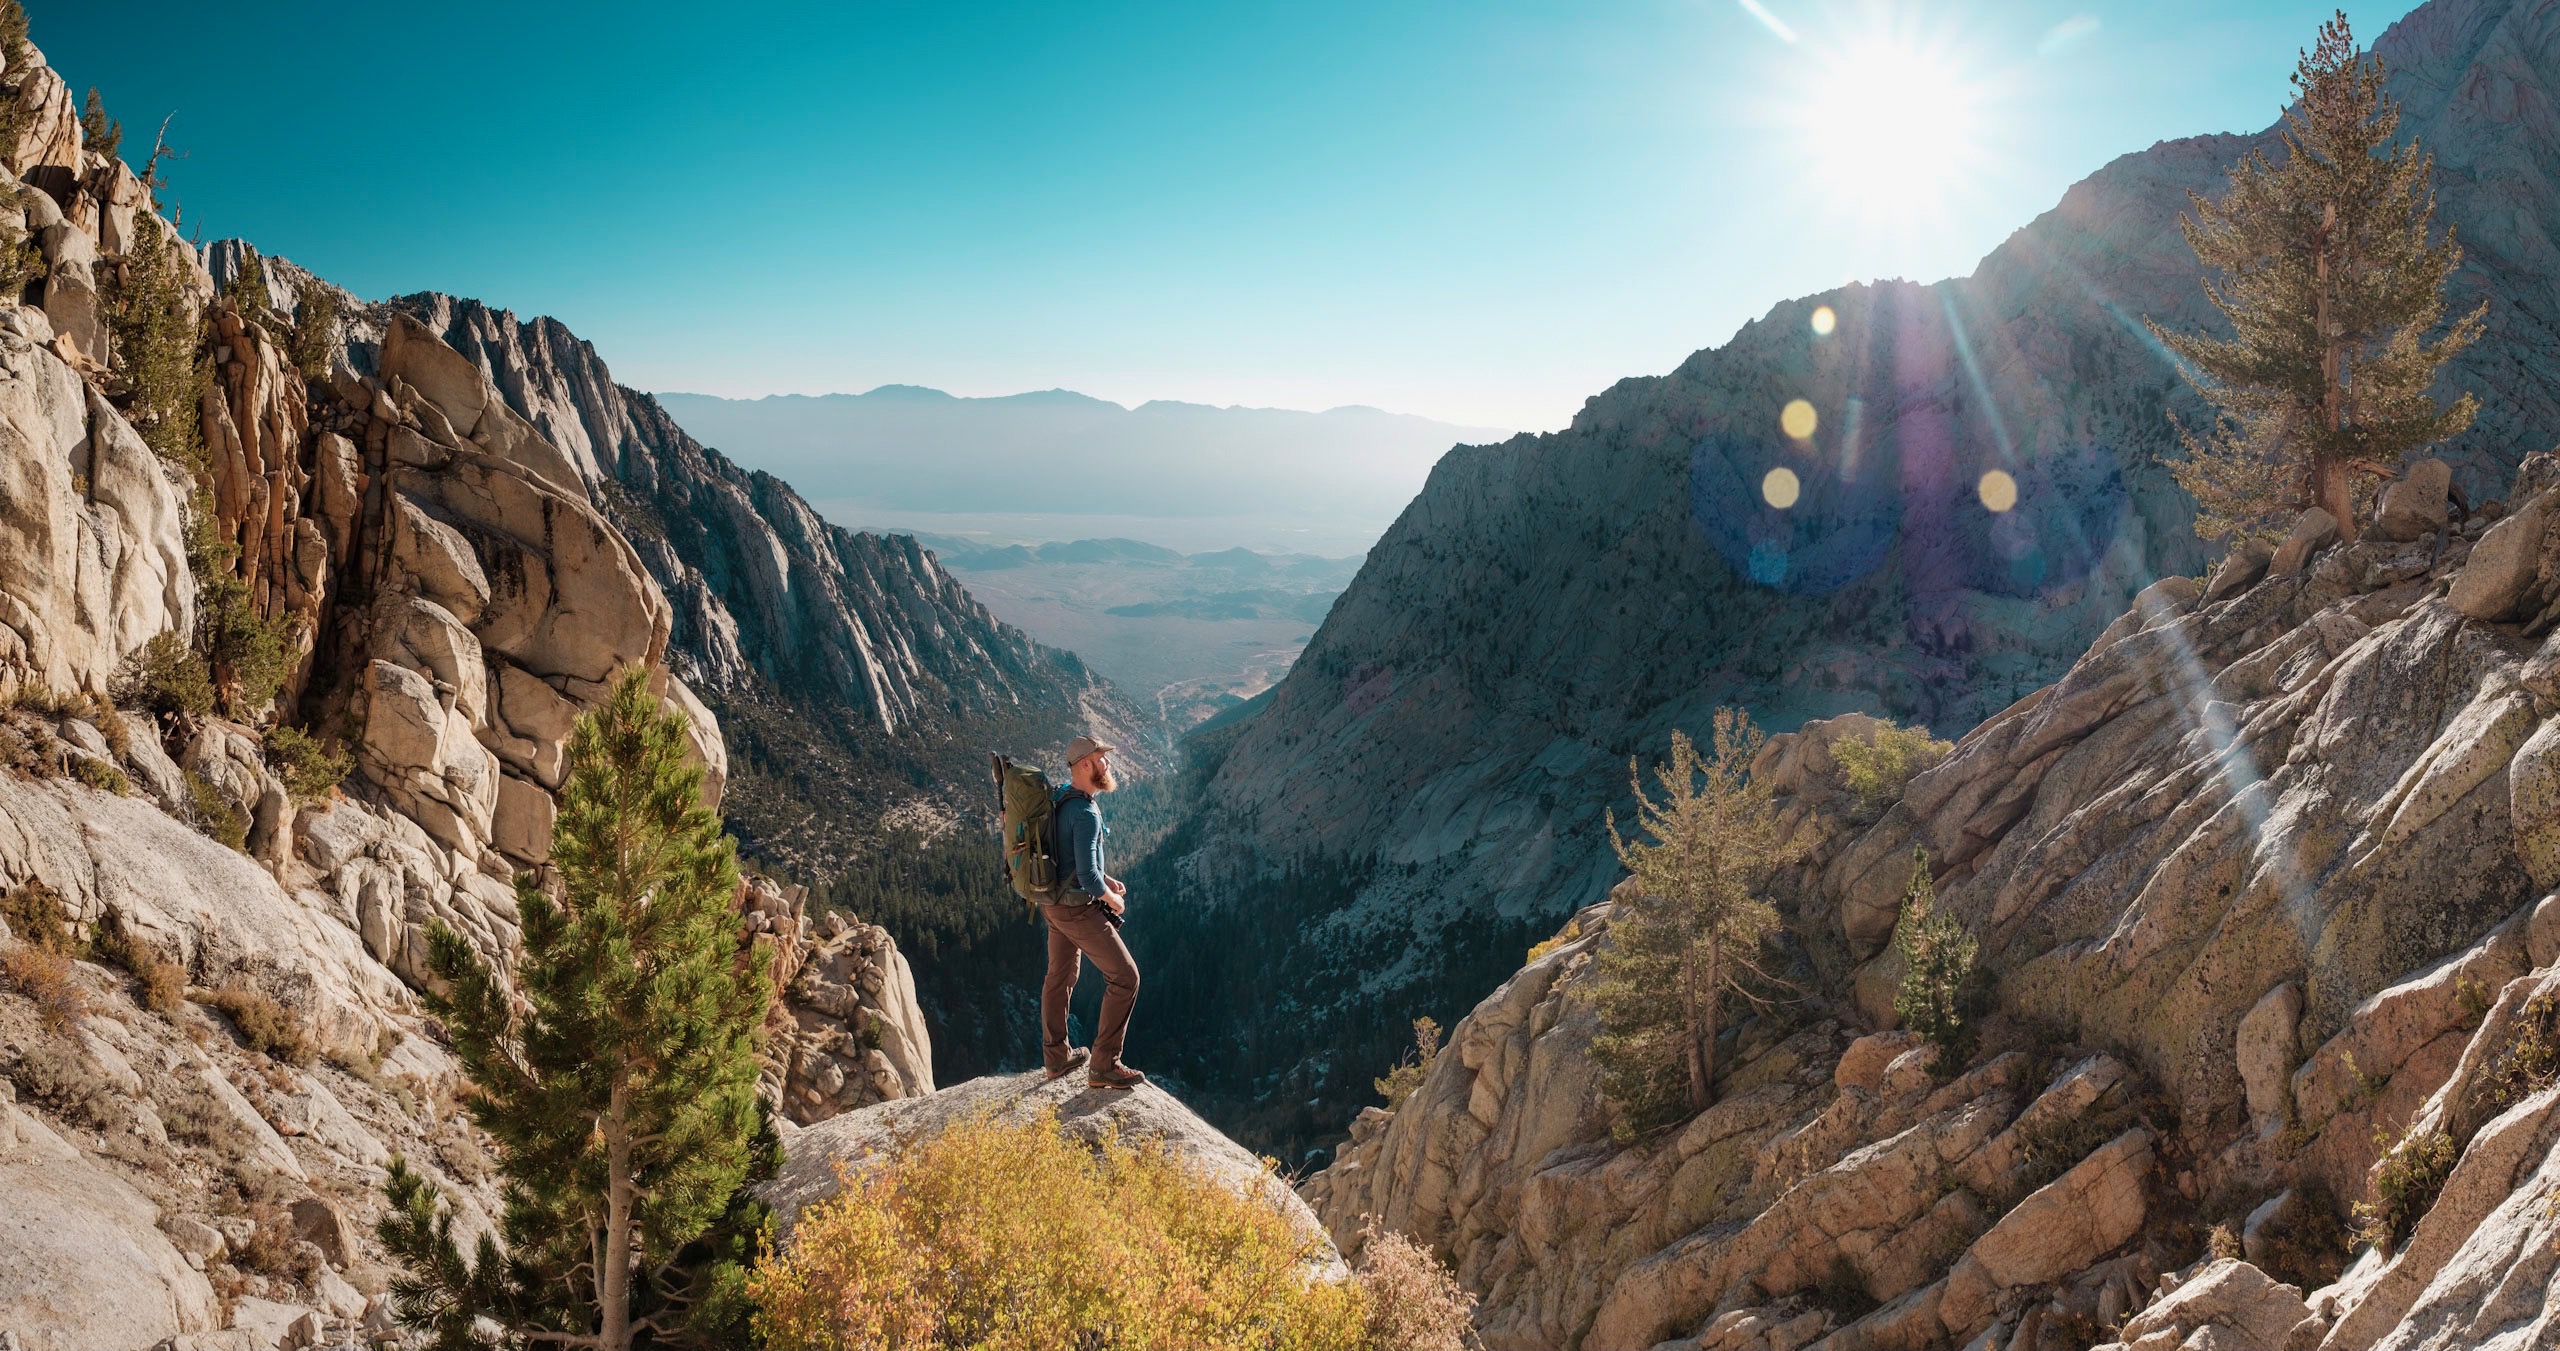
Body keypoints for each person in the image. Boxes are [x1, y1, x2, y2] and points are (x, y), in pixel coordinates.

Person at [1042, 734, 1145, 1089]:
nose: (1109, 764)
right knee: (1125, 978)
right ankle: (1104, 1065)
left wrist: (1107, 879)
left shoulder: (1061, 798)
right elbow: (1086, 876)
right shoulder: (1084, 812)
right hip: (1076, 910)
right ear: (1085, 764)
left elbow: (1071, 859)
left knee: (1059, 977)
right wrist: (1111, 900)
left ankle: (1056, 1059)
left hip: (1053, 904)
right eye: (1103, 758)